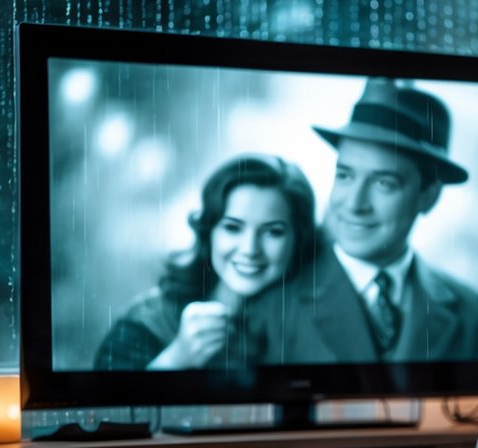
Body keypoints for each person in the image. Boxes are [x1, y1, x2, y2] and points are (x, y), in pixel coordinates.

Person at [251, 78, 478, 364]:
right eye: (345, 176)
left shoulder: (468, 311)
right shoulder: (273, 296)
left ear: (429, 196)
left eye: (383, 183)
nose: (354, 205)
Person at [94, 154, 316, 370]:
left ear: (298, 238)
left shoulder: (312, 324)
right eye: (232, 227)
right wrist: (177, 358)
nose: (250, 249)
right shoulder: (146, 323)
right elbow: (105, 405)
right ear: (209, 232)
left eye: (272, 232)